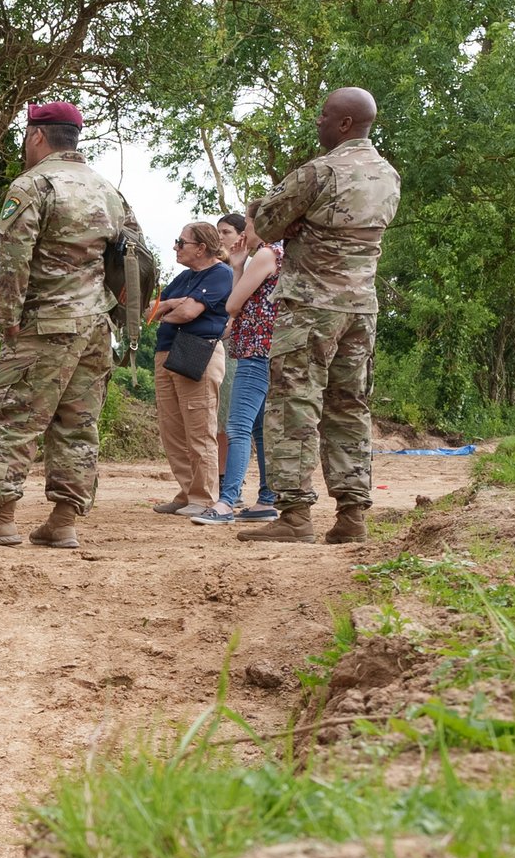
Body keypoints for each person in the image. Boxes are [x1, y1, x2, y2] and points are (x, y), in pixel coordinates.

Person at [0, 101, 133, 549]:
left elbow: (15, 263)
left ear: (37, 136)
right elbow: (134, 262)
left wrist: (8, 321)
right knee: (78, 423)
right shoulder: (109, 191)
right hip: (96, 326)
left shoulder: (33, 185)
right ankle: (64, 521)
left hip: (46, 323)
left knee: (14, 415)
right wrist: (119, 320)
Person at [241, 87, 401, 545]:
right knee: (350, 407)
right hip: (361, 309)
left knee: (295, 404)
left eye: (325, 116)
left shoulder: (319, 172)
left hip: (311, 307)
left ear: (346, 123)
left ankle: (294, 515)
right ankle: (352, 516)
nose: (319, 122)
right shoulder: (388, 176)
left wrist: (289, 220)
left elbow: (265, 225)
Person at [147, 221, 236, 518]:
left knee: (199, 427)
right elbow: (151, 310)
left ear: (201, 248)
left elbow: (188, 313)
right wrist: (173, 302)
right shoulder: (184, 278)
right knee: (173, 431)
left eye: (181, 242)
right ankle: (186, 493)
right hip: (166, 352)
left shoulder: (221, 274)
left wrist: (172, 309)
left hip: (197, 350)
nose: (175, 246)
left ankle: (204, 496)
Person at [200, 212, 281, 524]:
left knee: (237, 427)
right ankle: (266, 500)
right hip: (267, 349)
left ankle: (226, 502)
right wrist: (236, 266)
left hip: (255, 351)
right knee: (259, 429)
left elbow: (232, 305)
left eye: (246, 224)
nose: (244, 230)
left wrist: (239, 267)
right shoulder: (280, 253)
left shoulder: (266, 254)